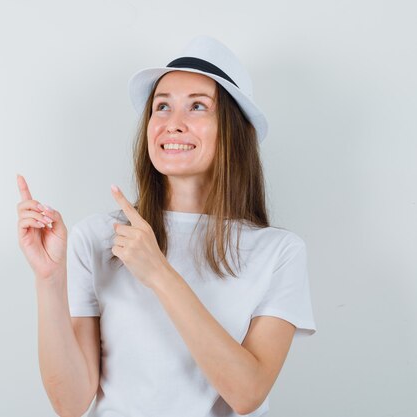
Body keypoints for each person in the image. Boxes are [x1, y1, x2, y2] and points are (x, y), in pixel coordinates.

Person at [16, 35, 316, 417]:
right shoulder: (97, 238)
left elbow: (248, 393)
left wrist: (158, 272)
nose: (173, 124)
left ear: (233, 130)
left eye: (196, 107)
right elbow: (70, 403)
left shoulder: (279, 252)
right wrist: (49, 280)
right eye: (162, 107)